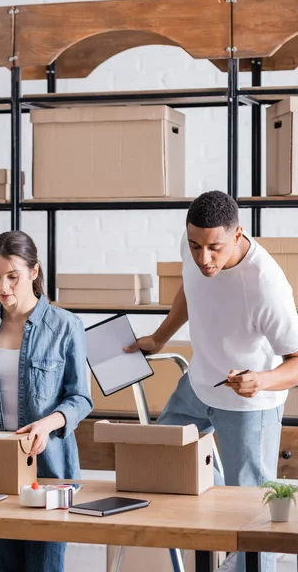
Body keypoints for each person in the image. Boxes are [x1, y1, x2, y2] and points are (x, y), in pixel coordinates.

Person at [126, 190, 298, 572]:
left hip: (249, 404)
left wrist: (263, 381)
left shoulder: (265, 285)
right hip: (198, 382)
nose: (203, 258)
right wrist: (159, 337)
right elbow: (191, 287)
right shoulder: (196, 247)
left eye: (214, 248)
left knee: (255, 511)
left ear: (237, 236)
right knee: (163, 455)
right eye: (195, 246)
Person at [0, 230, 92, 572]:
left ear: (34, 272)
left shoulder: (66, 326)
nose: (3, 287)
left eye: (13, 277)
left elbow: (80, 398)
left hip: (50, 474)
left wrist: (46, 423)